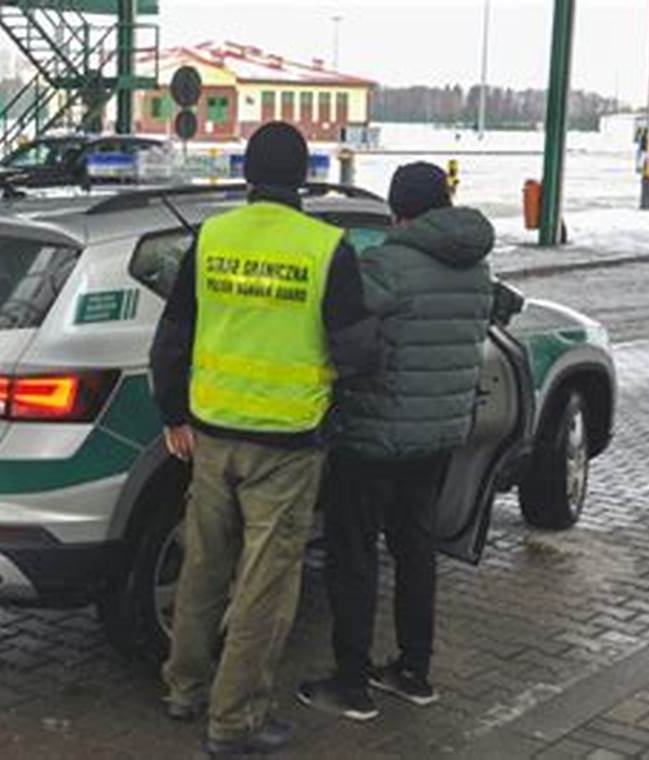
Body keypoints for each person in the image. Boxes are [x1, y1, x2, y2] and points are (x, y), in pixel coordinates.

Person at [149, 122, 376, 756]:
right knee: (263, 586)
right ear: (302, 175)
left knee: (203, 566)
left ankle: (184, 688)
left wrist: (174, 415)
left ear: (248, 172)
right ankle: (235, 721)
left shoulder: (212, 237)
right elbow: (356, 351)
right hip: (286, 441)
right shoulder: (326, 247)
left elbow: (173, 334)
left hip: (211, 433)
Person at [297, 162, 495, 721]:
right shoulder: (477, 268)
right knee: (415, 551)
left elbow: (339, 329)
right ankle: (413, 671)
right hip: (438, 436)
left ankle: (352, 682)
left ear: (397, 211)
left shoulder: (384, 264)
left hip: (372, 435)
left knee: (354, 556)